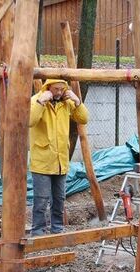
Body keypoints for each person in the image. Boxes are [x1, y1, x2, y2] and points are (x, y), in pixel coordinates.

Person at [29, 79, 89, 236]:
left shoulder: (67, 103)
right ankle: (38, 232)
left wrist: (77, 101)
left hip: (61, 160)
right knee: (41, 200)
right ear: (48, 88)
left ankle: (57, 230)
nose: (59, 92)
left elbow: (83, 118)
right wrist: (41, 102)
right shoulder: (36, 100)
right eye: (56, 89)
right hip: (42, 161)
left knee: (59, 199)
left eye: (62, 89)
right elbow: (30, 120)